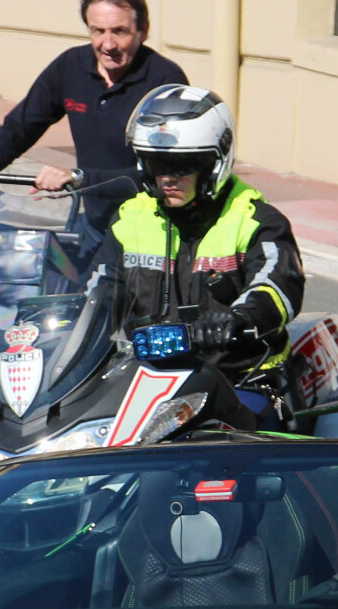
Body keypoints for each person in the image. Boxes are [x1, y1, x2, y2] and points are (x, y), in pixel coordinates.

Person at [97, 86, 304, 412]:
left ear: (213, 164)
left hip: (241, 381)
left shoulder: (253, 219)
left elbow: (279, 286)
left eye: (182, 166)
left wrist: (238, 319)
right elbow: (97, 292)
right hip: (148, 381)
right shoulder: (130, 219)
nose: (166, 178)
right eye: (156, 164)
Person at [0, 0, 187, 193]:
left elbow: (165, 171)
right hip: (91, 216)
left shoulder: (165, 81)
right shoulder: (70, 66)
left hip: (148, 219)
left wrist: (79, 178)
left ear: (143, 31)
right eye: (98, 31)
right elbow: (22, 125)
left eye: (119, 31)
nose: (108, 45)